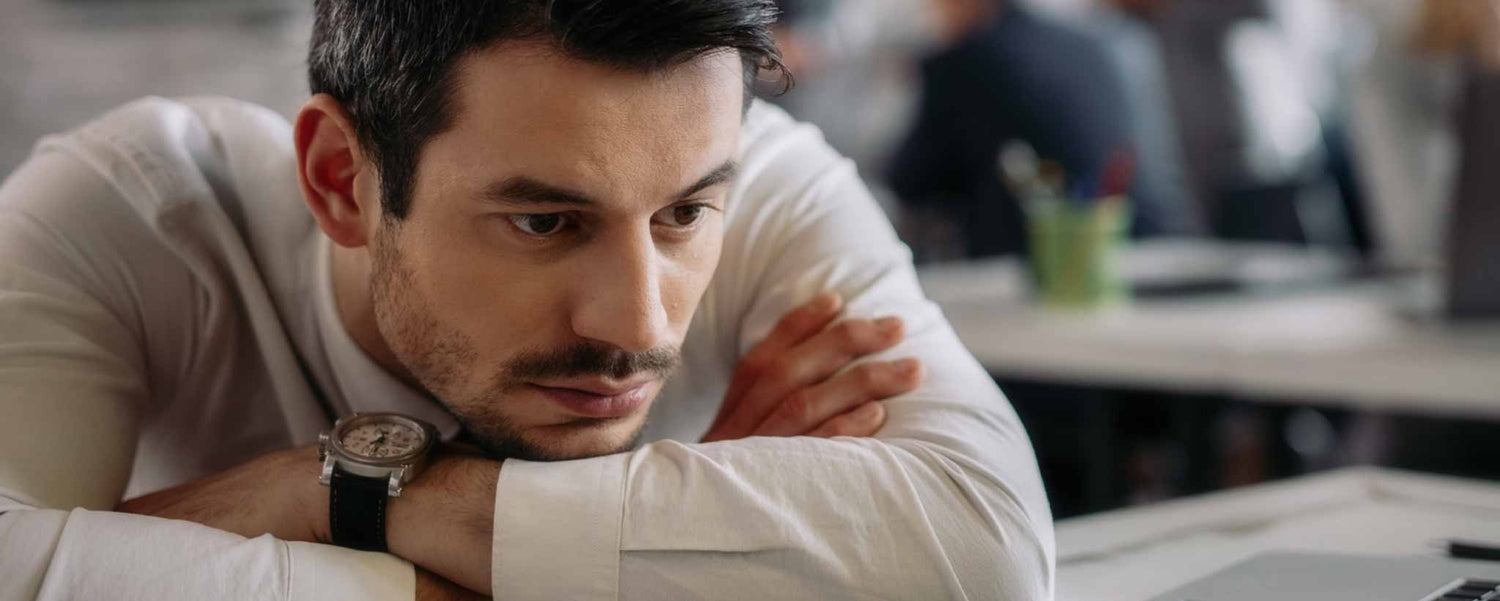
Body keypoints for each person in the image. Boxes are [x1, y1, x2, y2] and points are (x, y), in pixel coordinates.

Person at [0, 1, 1052, 600]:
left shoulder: (766, 176)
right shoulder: (135, 206)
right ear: (340, 180)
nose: (639, 326)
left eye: (684, 218)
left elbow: (989, 553)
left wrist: (338, 497)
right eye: (545, 223)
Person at [888, 0, 1178, 258]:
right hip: (1148, 239)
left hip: (1040, 262)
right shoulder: (1087, 43)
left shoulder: (965, 58)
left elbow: (909, 180)